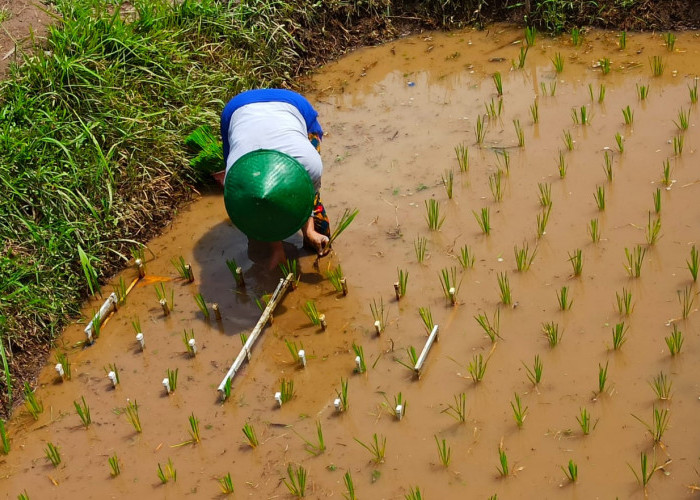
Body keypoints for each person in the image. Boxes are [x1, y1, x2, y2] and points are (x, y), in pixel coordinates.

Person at [215, 89, 331, 268]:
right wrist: (276, 249)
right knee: (257, 241)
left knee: (320, 225)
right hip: (237, 110)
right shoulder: (237, 180)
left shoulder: (309, 165)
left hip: (293, 105)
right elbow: (259, 212)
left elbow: (307, 200)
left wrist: (310, 232)